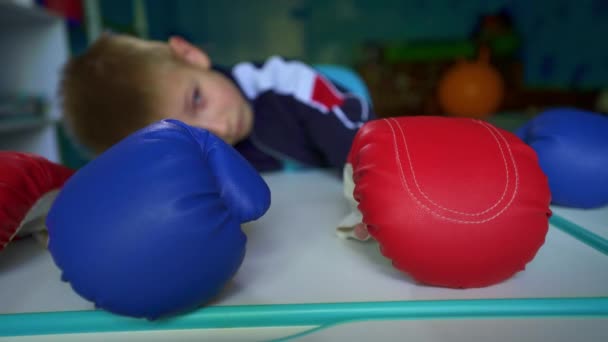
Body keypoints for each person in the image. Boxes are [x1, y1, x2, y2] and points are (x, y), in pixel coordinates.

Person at [60, 33, 375, 172]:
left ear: (191, 56)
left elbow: (364, 147)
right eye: (186, 138)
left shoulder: (285, 81)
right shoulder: (182, 159)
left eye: (197, 100)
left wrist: (365, 188)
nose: (219, 128)